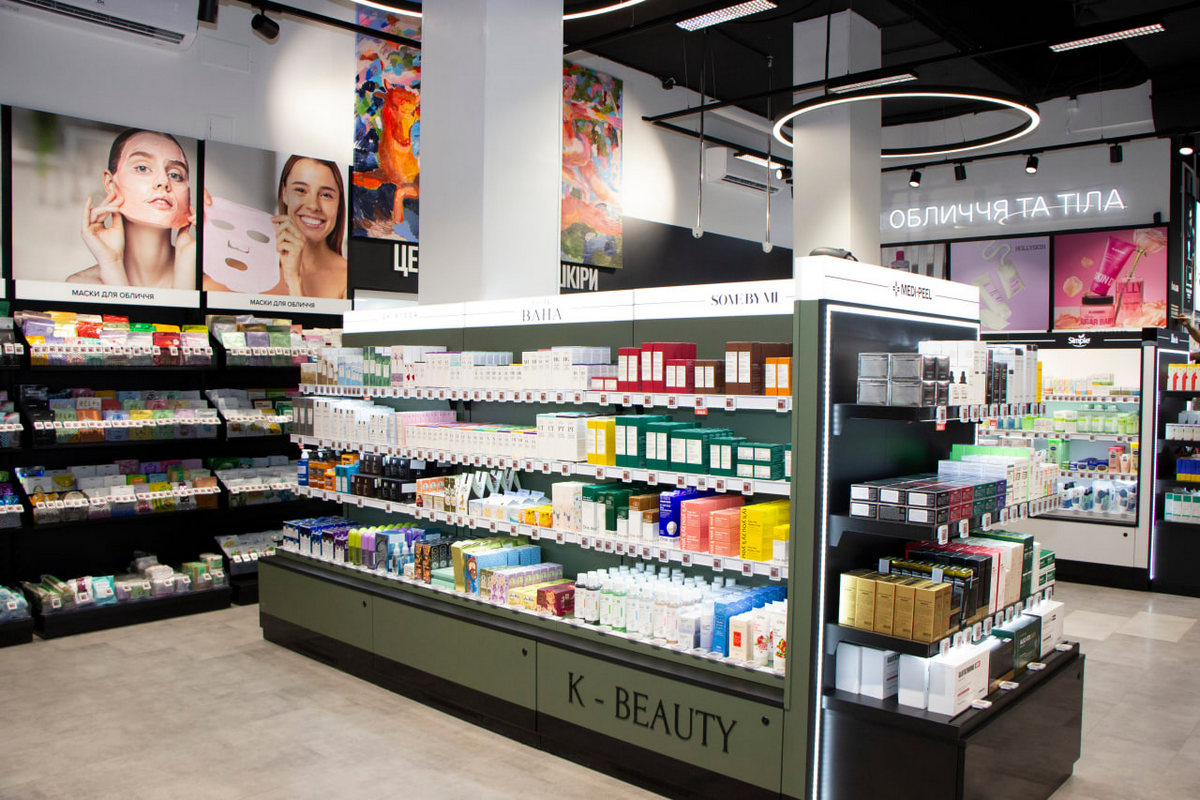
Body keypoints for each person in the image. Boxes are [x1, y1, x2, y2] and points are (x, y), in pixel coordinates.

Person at [203, 155, 347, 299]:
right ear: (284, 193)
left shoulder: (347, 277)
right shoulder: (246, 264)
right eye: (301, 190)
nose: (313, 206)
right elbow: (205, 293)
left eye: (326, 195)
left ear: (339, 204)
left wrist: (293, 279)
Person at [70, 129, 195, 288]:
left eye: (175, 175)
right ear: (110, 183)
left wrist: (187, 267)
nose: (163, 182)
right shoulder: (80, 285)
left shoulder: (211, 287)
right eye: (142, 168)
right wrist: (111, 264)